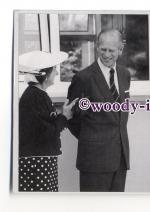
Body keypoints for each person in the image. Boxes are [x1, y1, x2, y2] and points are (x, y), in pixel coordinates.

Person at [67, 29, 131, 192]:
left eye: (112, 50)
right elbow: (72, 119)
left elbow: (121, 114)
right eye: (103, 49)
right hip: (94, 160)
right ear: (97, 48)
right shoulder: (83, 78)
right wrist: (93, 139)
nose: (107, 54)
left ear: (120, 50)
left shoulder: (125, 75)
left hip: (120, 159)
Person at [18, 51, 78, 192]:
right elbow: (46, 132)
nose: (56, 74)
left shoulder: (37, 95)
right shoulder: (35, 97)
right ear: (44, 75)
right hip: (37, 163)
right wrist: (64, 117)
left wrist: (64, 114)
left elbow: (43, 125)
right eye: (54, 70)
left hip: (40, 160)